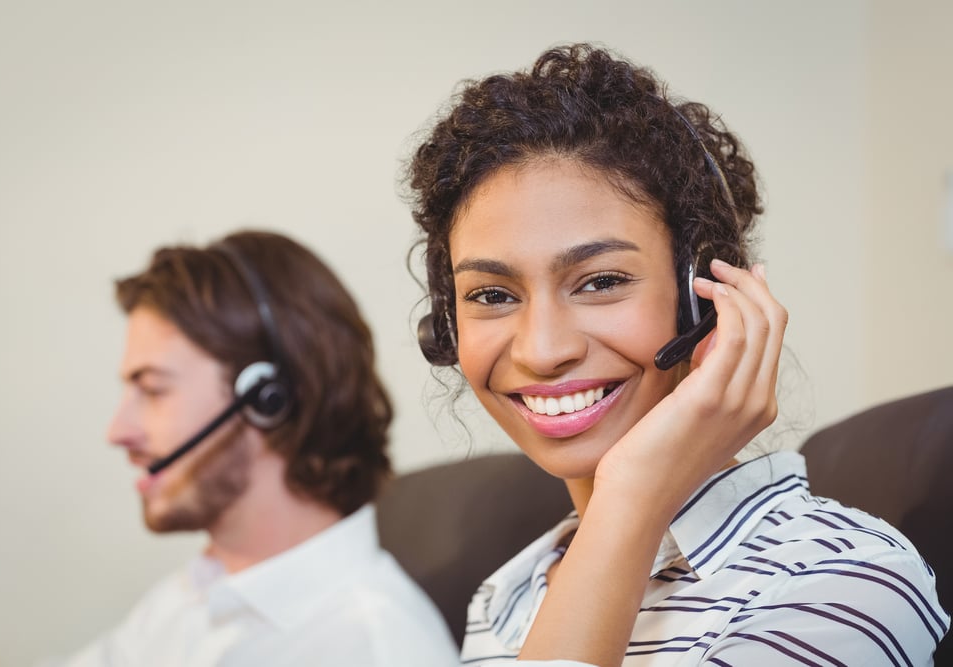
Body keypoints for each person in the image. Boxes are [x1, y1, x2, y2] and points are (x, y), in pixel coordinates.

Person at [404, 43, 950, 665]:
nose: (543, 349)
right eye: (493, 294)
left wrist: (631, 496)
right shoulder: (508, 599)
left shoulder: (841, 580)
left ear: (706, 301)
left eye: (602, 281)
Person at [53, 230, 458, 666]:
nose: (117, 431)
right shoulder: (191, 594)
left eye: (153, 390)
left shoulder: (372, 646)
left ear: (269, 398)